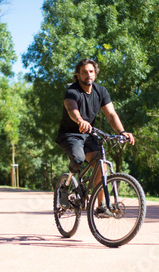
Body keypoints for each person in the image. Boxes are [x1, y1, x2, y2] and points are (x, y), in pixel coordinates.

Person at [56, 58, 135, 215]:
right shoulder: (72, 91)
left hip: (89, 134)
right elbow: (72, 109)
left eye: (91, 71)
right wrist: (80, 120)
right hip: (70, 134)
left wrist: (122, 132)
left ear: (95, 74)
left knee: (101, 162)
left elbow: (111, 114)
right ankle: (65, 188)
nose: (88, 74)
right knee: (78, 159)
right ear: (78, 75)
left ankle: (101, 207)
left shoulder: (101, 92)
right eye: (84, 72)